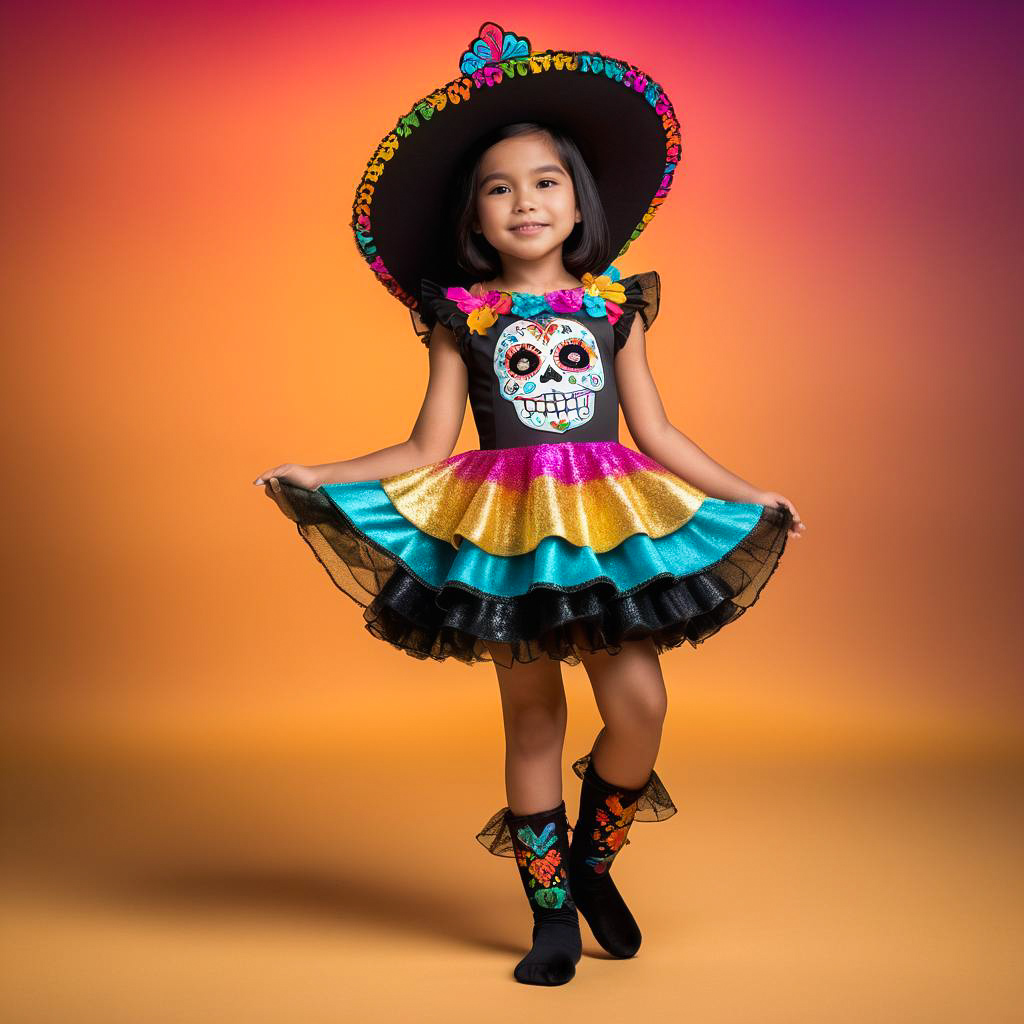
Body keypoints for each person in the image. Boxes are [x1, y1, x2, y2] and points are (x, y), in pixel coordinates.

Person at [253, 21, 806, 987]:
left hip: (608, 528)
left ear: (578, 199)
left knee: (639, 705)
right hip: (509, 534)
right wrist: (323, 474)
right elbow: (428, 445)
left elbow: (657, 434)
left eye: (544, 181)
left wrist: (747, 492)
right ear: (475, 220)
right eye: (499, 189)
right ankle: (549, 915)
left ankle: (592, 862)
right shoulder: (461, 321)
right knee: (534, 717)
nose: (524, 201)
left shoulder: (612, 308)